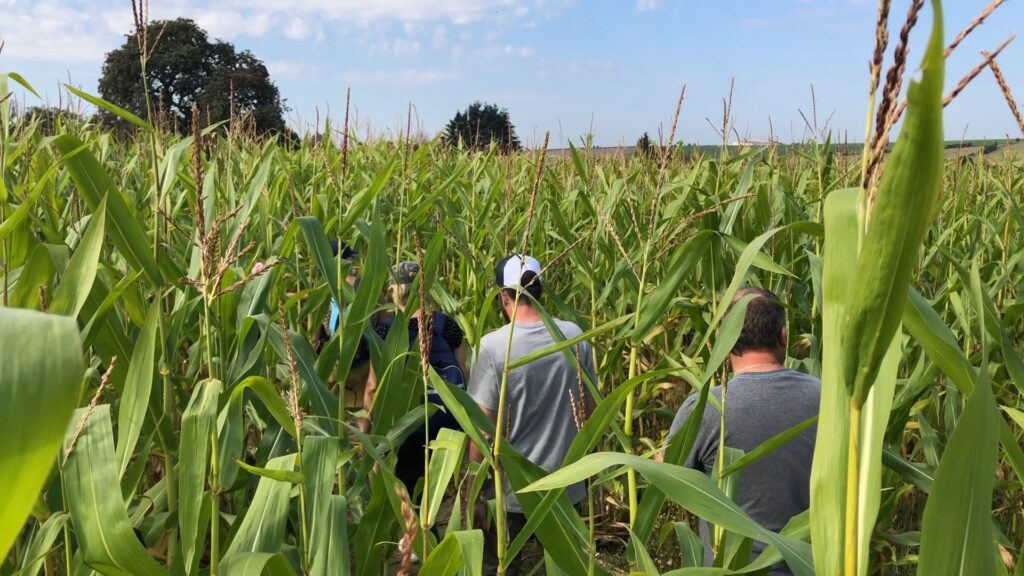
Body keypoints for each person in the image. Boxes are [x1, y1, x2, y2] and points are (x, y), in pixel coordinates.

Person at [663, 287, 820, 575]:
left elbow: (665, 480)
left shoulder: (705, 409)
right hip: (810, 565)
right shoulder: (826, 398)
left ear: (726, 340)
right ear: (783, 335)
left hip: (731, 569)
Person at [466, 254, 596, 575]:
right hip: (567, 486)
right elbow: (592, 413)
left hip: (513, 494)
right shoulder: (574, 337)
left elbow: (483, 430)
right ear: (541, 290)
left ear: (502, 296)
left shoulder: (494, 347)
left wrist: (474, 492)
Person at [361, 261, 468, 497]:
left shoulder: (387, 331)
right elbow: (463, 375)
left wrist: (368, 432)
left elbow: (372, 387)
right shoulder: (447, 326)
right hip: (447, 427)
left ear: (393, 291)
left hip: (406, 425)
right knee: (437, 492)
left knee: (409, 496)